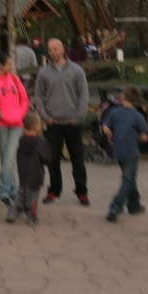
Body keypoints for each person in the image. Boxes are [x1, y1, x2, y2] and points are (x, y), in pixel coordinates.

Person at [34, 38, 90, 206]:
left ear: (63, 50)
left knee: (77, 159)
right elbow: (38, 97)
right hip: (53, 123)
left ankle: (81, 191)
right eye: (50, 49)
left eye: (56, 49)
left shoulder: (76, 70)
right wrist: (45, 117)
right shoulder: (43, 73)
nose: (53, 52)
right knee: (52, 159)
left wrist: (78, 116)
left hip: (72, 122)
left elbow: (84, 94)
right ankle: (54, 190)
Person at [0, 53, 29, 206]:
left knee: (9, 157)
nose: (11, 66)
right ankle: (13, 190)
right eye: (9, 63)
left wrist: (20, 114)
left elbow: (24, 98)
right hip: (1, 124)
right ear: (1, 66)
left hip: (17, 124)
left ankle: (2, 191)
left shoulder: (14, 79)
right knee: (6, 158)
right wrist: (1, 116)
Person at [103, 86, 148, 222]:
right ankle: (115, 207)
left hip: (118, 150)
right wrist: (135, 137)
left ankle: (134, 205)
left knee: (130, 178)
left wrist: (112, 135)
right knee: (128, 179)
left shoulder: (114, 112)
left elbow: (105, 128)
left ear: (122, 97)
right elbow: (145, 137)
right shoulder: (138, 116)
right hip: (131, 150)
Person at [6, 113, 50, 225]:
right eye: (39, 124)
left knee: (21, 193)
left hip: (23, 172)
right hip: (36, 173)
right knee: (32, 196)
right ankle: (31, 216)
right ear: (35, 127)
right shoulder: (40, 142)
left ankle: (13, 212)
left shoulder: (22, 140)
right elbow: (46, 158)